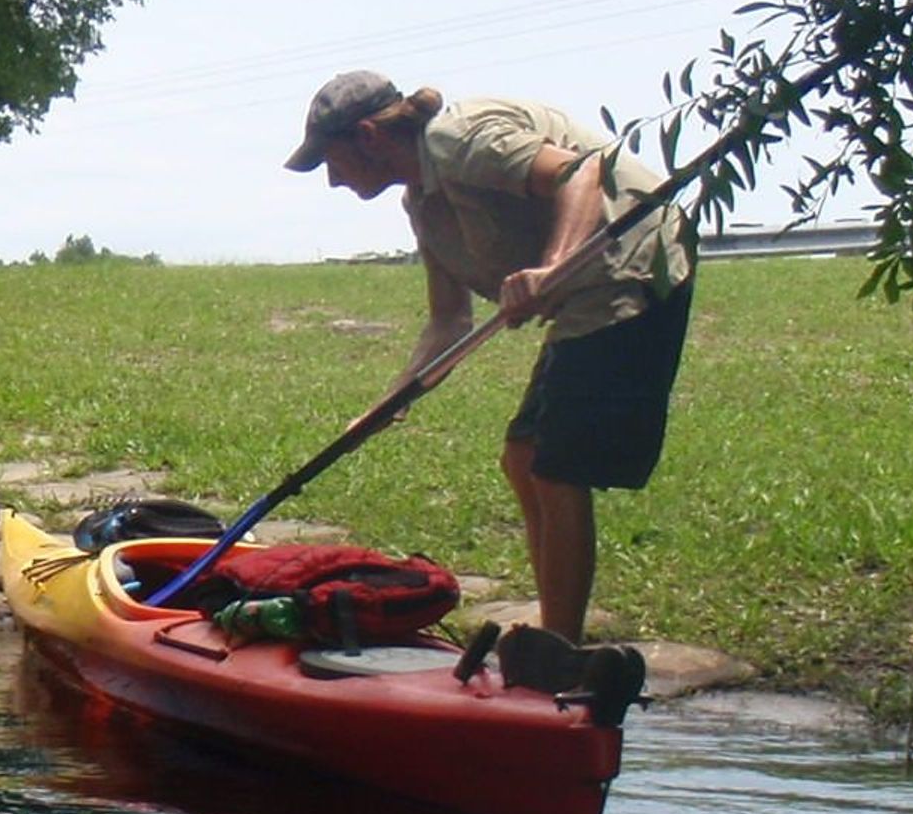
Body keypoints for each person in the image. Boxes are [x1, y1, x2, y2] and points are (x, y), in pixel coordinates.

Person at [287, 69, 693, 666]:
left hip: (632, 264)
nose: (332, 179)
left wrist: (549, 267)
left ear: (369, 135)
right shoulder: (422, 205)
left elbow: (585, 171)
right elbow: (448, 321)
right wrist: (386, 405)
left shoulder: (458, 138)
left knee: (556, 469)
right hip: (582, 293)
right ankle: (556, 635)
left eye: (333, 159)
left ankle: (559, 649)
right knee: (523, 458)